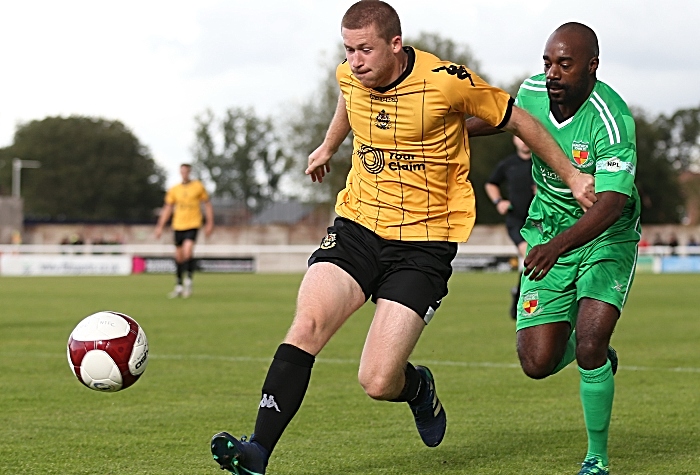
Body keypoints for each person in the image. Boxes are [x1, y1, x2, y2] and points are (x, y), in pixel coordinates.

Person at [209, 3, 594, 474]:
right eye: (348, 49)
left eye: (365, 49)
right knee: (307, 325)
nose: (355, 60)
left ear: (395, 44)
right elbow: (348, 99)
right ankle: (256, 453)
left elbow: (519, 121)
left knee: (376, 379)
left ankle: (416, 388)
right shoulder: (351, 73)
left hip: (423, 246)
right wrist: (329, 145)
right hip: (358, 226)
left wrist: (574, 177)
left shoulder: (446, 81)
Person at [467, 22, 640, 475]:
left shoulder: (612, 118)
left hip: (605, 235)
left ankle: (596, 459)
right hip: (550, 229)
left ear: (591, 67)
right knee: (537, 362)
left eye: (564, 64)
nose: (552, 73)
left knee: (588, 341)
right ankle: (597, 356)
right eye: (547, 62)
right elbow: (497, 117)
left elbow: (612, 203)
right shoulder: (530, 92)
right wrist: (441, 129)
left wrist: (557, 247)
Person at [484, 135, 535, 319]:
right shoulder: (508, 164)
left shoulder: (542, 163)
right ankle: (526, 303)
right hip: (516, 222)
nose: (523, 140)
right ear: (514, 140)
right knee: (531, 256)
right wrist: (499, 202)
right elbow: (491, 184)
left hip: (539, 222)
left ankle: (518, 295)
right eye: (519, 137)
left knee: (534, 261)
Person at [154, 163, 213, 298]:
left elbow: (207, 204)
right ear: (180, 173)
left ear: (189, 172)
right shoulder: (174, 189)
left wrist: (210, 222)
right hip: (178, 225)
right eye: (182, 172)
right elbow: (168, 208)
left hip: (193, 224)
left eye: (186, 172)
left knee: (188, 251)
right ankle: (179, 285)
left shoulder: (198, 186)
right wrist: (160, 226)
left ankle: (189, 281)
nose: (184, 174)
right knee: (179, 256)